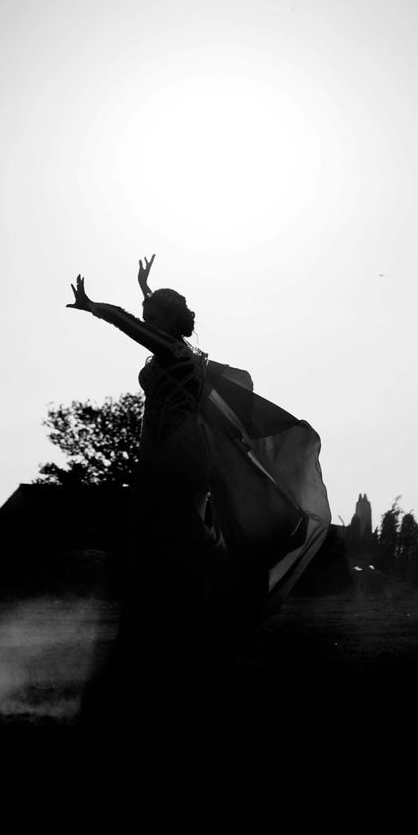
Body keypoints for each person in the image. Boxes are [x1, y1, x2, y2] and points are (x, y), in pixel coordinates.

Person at [67, 257, 333, 720]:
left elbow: (133, 326)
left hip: (173, 456)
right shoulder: (182, 350)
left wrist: (95, 306)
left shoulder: (171, 351)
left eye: (156, 310)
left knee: (165, 539)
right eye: (150, 309)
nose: (148, 314)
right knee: (171, 540)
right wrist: (145, 286)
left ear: (169, 321)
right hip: (170, 454)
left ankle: (186, 635)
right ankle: (191, 634)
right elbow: (146, 318)